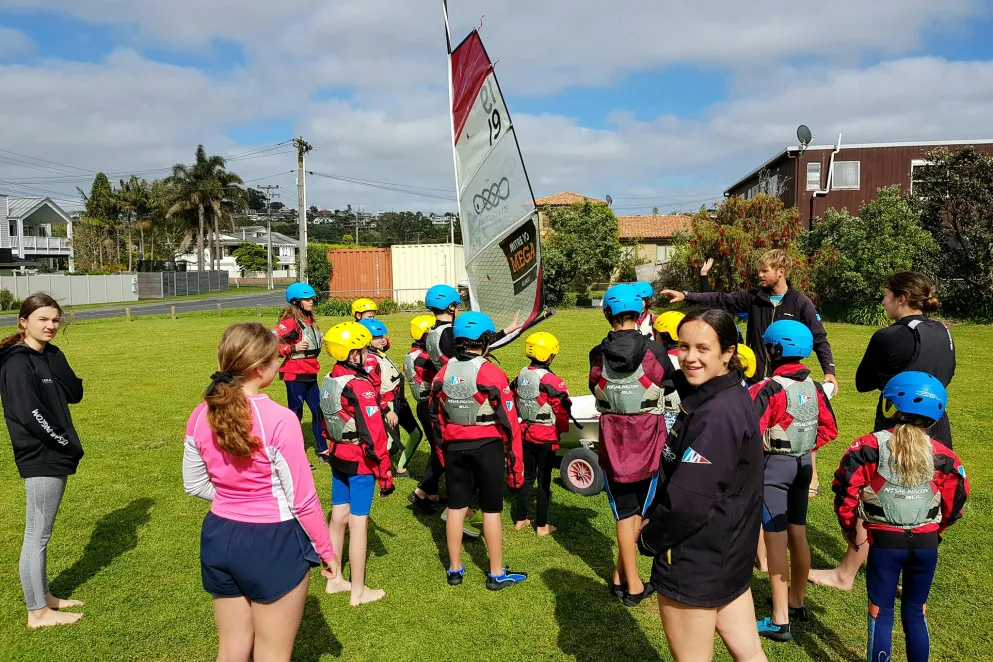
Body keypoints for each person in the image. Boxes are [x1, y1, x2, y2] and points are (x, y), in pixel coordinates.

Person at [183, 322, 337, 659]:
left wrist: (233, 497)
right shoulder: (280, 419)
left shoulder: (199, 415)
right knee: (272, 654)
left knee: (232, 649)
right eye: (275, 358)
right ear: (258, 369)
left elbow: (193, 484)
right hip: (272, 541)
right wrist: (327, 551)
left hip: (219, 537)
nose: (279, 363)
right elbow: (302, 499)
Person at [810, 271, 956, 591]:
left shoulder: (888, 336)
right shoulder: (944, 332)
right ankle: (910, 573)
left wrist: (892, 376)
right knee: (922, 496)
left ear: (901, 299)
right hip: (936, 422)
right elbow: (946, 374)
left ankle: (845, 574)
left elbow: (863, 382)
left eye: (886, 295)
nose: (883, 301)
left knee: (873, 493)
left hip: (897, 425)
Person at [638, 308, 767, 662]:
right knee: (750, 653)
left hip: (695, 559)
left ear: (728, 353)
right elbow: (684, 378)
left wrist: (650, 538)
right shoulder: (729, 392)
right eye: (683, 346)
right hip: (729, 554)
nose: (690, 357)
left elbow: (689, 502)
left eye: (703, 348)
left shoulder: (717, 416)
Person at [833, 371, 968, 662]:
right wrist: (936, 529)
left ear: (889, 404)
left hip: (884, 545)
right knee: (916, 612)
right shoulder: (945, 456)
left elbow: (845, 490)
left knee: (881, 615)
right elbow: (956, 501)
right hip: (926, 546)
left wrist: (848, 528)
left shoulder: (867, 447)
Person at [749, 321, 838, 642]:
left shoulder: (767, 388)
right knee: (798, 533)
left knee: (775, 542)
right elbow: (829, 428)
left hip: (774, 469)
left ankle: (779, 619)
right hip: (801, 465)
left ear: (773, 350)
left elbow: (749, 430)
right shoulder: (815, 387)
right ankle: (797, 601)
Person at [0, 294, 85, 629]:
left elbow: (74, 393)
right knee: (36, 533)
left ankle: (44, 596)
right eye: (42, 320)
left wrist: (54, 354)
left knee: (42, 532)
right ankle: (37, 612)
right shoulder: (16, 364)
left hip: (53, 453)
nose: (51, 326)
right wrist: (62, 443)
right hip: (40, 455)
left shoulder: (45, 356)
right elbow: (31, 415)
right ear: (23, 322)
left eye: (55, 320)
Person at [427, 311, 527, 589]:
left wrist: (442, 454)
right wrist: (516, 469)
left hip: (454, 448)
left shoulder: (442, 372)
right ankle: (496, 573)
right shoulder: (492, 373)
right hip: (488, 447)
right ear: (484, 341)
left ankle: (455, 569)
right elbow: (510, 424)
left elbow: (435, 418)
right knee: (491, 510)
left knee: (456, 508)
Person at [409, 284, 519, 527]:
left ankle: (426, 492)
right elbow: (474, 351)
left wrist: (505, 331)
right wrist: (502, 333)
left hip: (446, 393)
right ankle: (456, 506)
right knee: (456, 452)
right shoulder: (450, 333)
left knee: (444, 452)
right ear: (451, 306)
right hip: (461, 395)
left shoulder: (434, 332)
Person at [658, 248, 838, 392]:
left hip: (786, 381)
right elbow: (720, 299)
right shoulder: (753, 297)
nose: (759, 275)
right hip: (754, 378)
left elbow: (819, 338)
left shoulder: (800, 303)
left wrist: (829, 371)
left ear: (780, 272)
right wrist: (686, 295)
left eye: (764, 271)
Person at [590, 283, 668, 607]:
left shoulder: (597, 354)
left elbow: (595, 385)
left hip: (613, 442)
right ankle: (633, 585)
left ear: (608, 313)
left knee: (626, 513)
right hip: (649, 441)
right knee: (637, 511)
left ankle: (621, 576)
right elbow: (672, 384)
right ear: (640, 313)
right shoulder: (656, 352)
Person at [318, 321, 394, 606]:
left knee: (338, 517)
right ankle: (358, 592)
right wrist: (384, 473)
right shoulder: (359, 386)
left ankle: (334, 578)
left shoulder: (329, 378)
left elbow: (325, 419)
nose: (366, 354)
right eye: (363, 349)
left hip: (338, 456)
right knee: (358, 523)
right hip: (360, 461)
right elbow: (374, 434)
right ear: (353, 354)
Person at [511, 332, 572, 536]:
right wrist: (561, 431)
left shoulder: (520, 376)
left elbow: (512, 397)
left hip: (525, 433)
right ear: (548, 356)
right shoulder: (551, 381)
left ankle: (520, 519)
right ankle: (542, 526)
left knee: (528, 477)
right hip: (545, 436)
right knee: (544, 481)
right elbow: (562, 409)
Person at [358, 319, 423, 480]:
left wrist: (380, 340)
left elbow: (385, 344)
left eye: (382, 335)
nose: (382, 339)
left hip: (399, 399)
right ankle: (370, 470)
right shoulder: (369, 360)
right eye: (377, 336)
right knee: (391, 445)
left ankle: (400, 468)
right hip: (387, 402)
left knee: (416, 434)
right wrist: (386, 410)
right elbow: (372, 389)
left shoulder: (377, 351)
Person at [275, 283, 325, 460]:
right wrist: (292, 348)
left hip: (311, 373)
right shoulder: (289, 322)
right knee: (296, 414)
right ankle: (294, 454)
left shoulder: (310, 321)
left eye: (312, 298)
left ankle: (323, 449)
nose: (311, 302)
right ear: (296, 302)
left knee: (319, 410)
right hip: (295, 374)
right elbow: (270, 345)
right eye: (307, 299)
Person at [398, 314, 436, 475]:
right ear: (422, 335)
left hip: (424, 405)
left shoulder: (412, 354)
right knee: (438, 448)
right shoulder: (423, 358)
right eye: (431, 334)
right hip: (429, 405)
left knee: (437, 448)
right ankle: (427, 488)